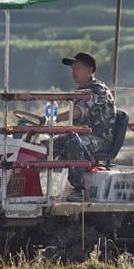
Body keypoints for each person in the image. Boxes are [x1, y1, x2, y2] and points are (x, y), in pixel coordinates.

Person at [49, 52, 116, 193]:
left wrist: (52, 118)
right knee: (49, 145)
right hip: (82, 135)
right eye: (72, 68)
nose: (73, 72)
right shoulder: (81, 90)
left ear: (90, 70)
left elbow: (78, 111)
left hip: (100, 138)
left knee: (74, 143)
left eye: (77, 68)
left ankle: (79, 188)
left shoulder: (98, 90)